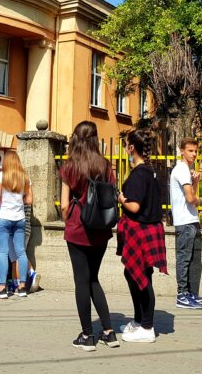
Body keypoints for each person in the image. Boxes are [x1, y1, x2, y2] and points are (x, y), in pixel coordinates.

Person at [59, 121, 116, 352]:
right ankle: (109, 332)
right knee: (93, 279)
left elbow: (64, 205)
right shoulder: (105, 165)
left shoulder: (69, 166)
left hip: (78, 227)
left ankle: (87, 335)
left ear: (75, 138)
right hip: (100, 228)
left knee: (81, 281)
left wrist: (68, 221)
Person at [117, 129, 167, 343]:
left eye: (126, 145)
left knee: (141, 277)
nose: (125, 149)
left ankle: (147, 327)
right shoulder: (150, 171)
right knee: (134, 274)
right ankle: (139, 321)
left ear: (131, 148)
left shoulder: (139, 173)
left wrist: (121, 199)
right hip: (149, 229)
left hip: (141, 230)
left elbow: (135, 206)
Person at [0, 152, 32, 299]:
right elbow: (29, 200)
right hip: (19, 218)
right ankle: (22, 287)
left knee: (3, 252)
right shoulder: (25, 176)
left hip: (3, 217)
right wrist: (18, 199)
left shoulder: (1, 176)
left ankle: (2, 288)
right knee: (21, 252)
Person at [170, 137, 202, 309]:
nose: (194, 154)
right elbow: (191, 199)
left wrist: (195, 182)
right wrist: (199, 201)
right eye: (190, 151)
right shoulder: (182, 169)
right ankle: (182, 295)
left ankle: (188, 293)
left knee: (190, 259)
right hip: (185, 222)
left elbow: (190, 196)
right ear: (182, 151)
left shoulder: (186, 170)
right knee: (184, 259)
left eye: (196, 151)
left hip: (189, 220)